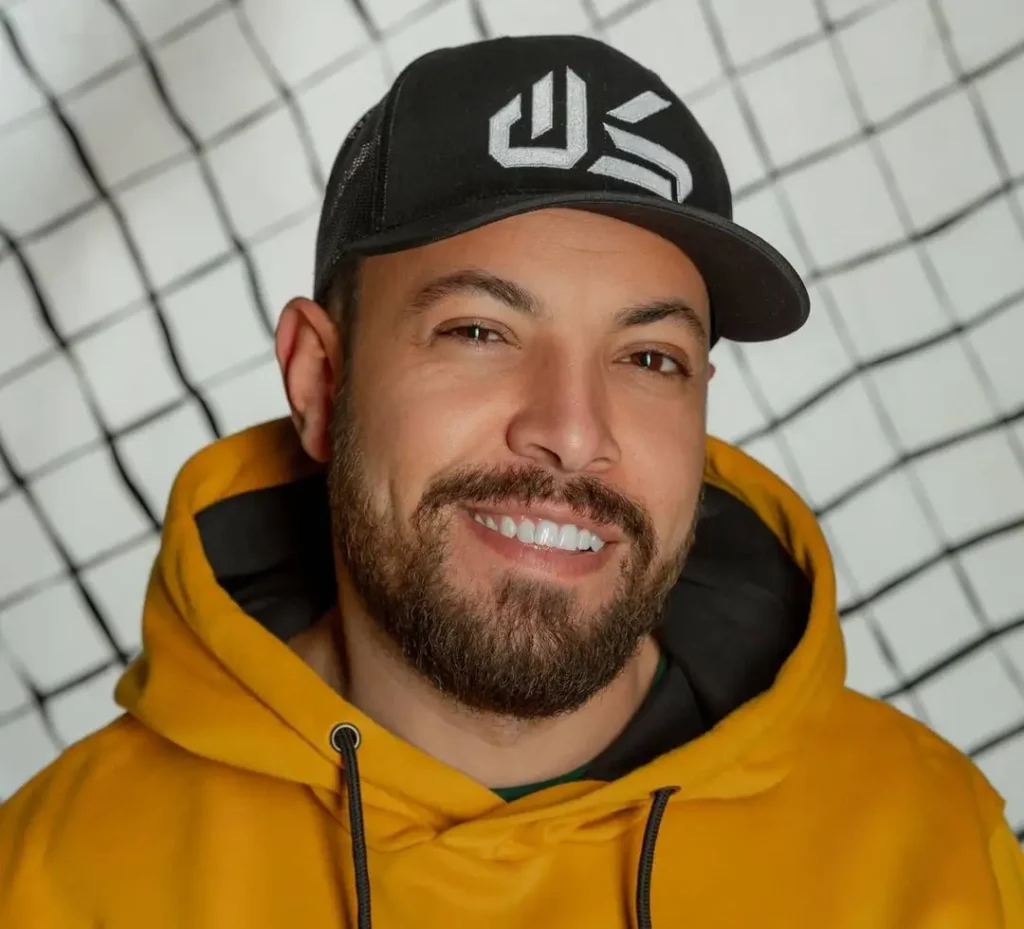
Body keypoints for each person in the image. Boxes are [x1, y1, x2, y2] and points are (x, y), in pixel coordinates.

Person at [1, 33, 1021, 929]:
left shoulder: (928, 845)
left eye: (650, 357)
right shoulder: (53, 877)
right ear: (319, 379)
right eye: (480, 331)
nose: (572, 433)